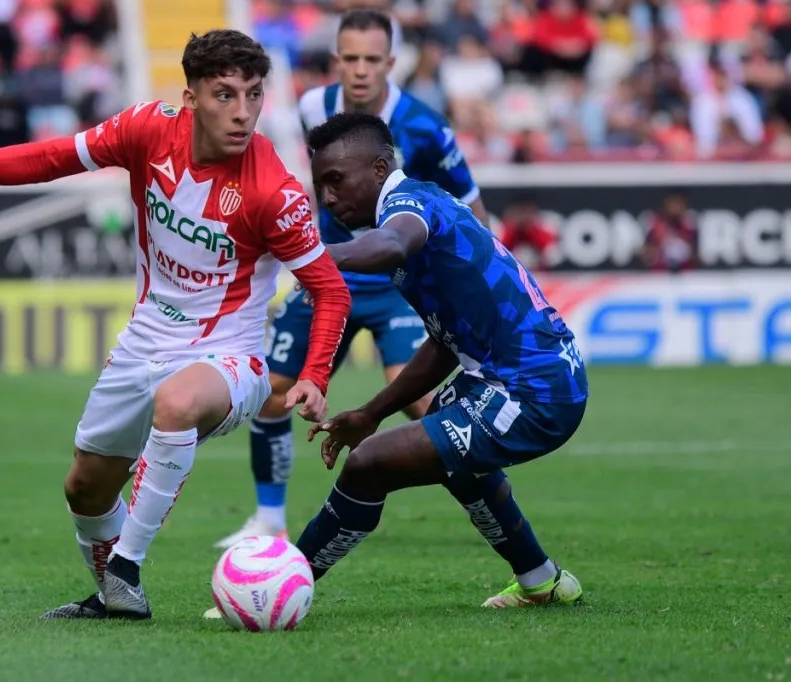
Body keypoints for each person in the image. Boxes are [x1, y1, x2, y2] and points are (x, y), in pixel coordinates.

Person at [0, 30, 352, 621]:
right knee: (85, 488)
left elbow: (329, 289)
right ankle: (115, 598)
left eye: (254, 95)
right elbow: (48, 158)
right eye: (225, 95)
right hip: (144, 341)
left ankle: (126, 566)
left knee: (177, 403)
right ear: (191, 97)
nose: (243, 112)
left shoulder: (273, 192)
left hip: (230, 358)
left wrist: (314, 374)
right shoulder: (148, 129)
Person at [243, 112, 586, 612]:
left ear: (380, 169)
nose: (329, 198)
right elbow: (442, 344)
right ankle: (541, 579)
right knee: (455, 460)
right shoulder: (422, 207)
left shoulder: (409, 204)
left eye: (337, 180)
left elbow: (392, 243)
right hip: (505, 376)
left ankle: (278, 589)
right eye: (320, 186)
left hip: (533, 388)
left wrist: (302, 252)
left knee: (369, 465)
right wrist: (372, 411)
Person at [216, 8, 489, 549]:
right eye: (350, 58)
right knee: (270, 391)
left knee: (424, 409)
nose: (360, 70)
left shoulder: (428, 127)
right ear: (336, 59)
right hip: (327, 279)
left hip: (395, 285)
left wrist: (473, 283)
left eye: (371, 59)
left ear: (390, 62)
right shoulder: (313, 106)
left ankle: (489, 511)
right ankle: (269, 519)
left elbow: (472, 205)